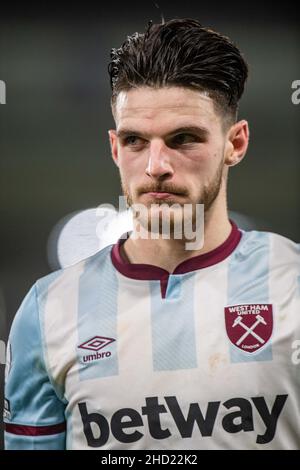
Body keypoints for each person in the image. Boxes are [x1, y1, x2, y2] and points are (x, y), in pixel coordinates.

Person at [3, 18, 300, 450]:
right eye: (136, 141)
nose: (155, 165)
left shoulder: (292, 282)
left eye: (183, 139)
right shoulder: (47, 309)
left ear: (235, 143)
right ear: (113, 147)